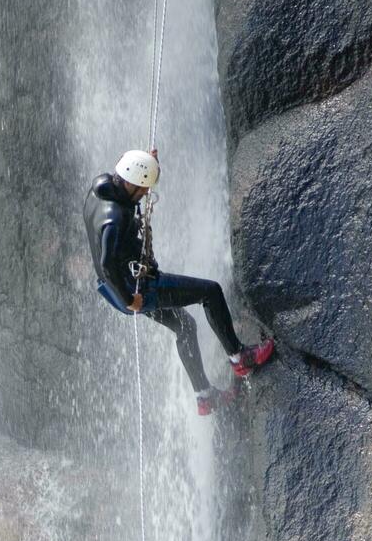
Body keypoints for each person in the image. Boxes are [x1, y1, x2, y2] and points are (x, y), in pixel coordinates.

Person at [83, 148, 274, 415]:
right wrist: (131, 300)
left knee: (184, 326)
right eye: (143, 188)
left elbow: (132, 179)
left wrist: (148, 166)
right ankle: (240, 357)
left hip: (114, 292)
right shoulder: (114, 218)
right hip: (137, 290)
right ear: (131, 183)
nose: (146, 194)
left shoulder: (100, 189)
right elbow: (107, 262)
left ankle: (204, 395)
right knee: (211, 292)